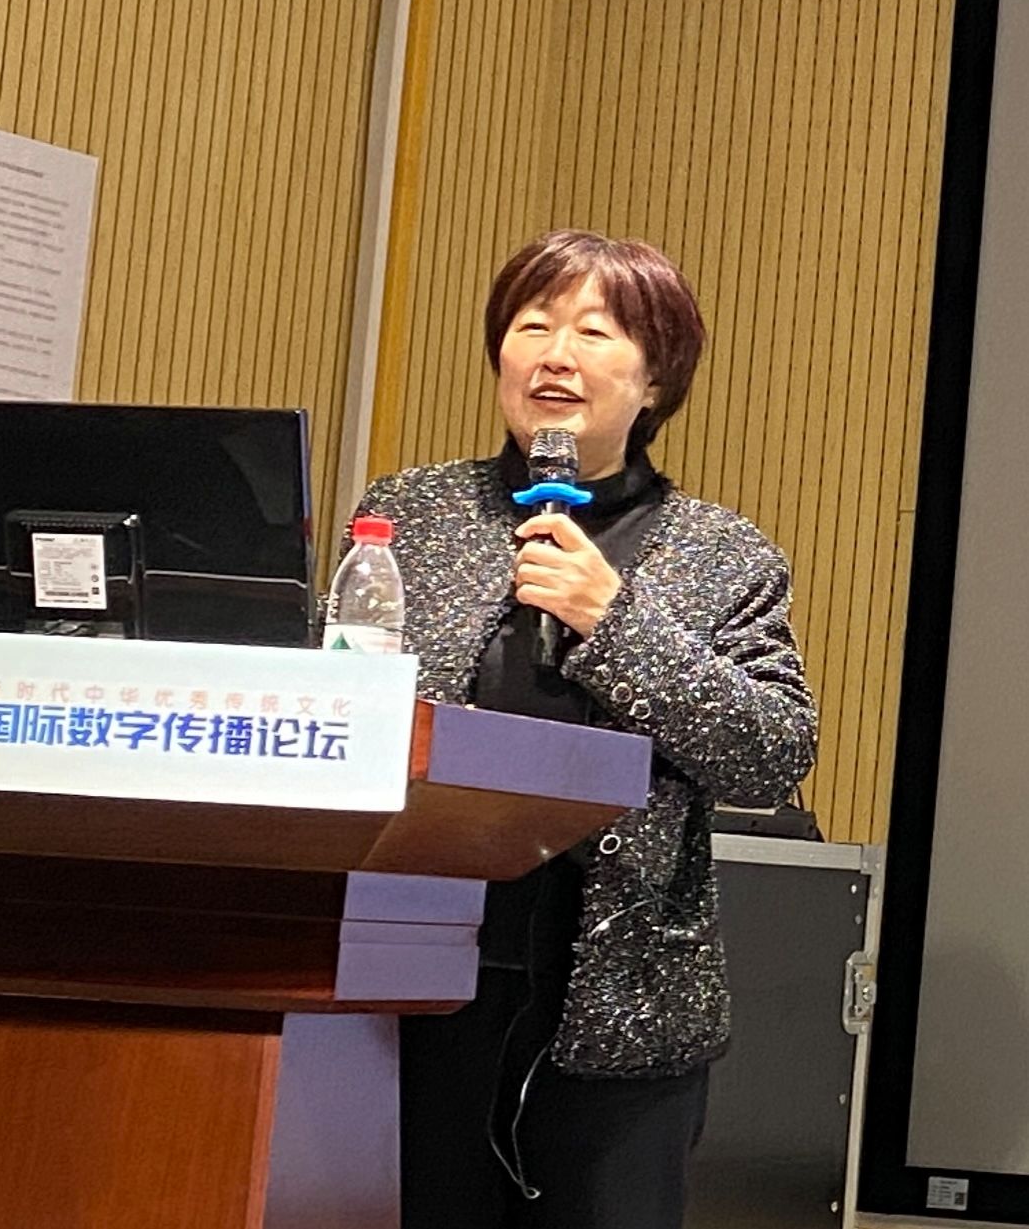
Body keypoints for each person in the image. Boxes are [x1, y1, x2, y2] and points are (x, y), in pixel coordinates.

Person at [342, 230, 818, 1229]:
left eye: (594, 333)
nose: (555, 355)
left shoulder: (721, 553)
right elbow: (335, 697)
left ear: (655, 381)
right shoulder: (411, 514)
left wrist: (616, 620)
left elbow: (772, 753)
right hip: (409, 979)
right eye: (532, 326)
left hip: (620, 1001)